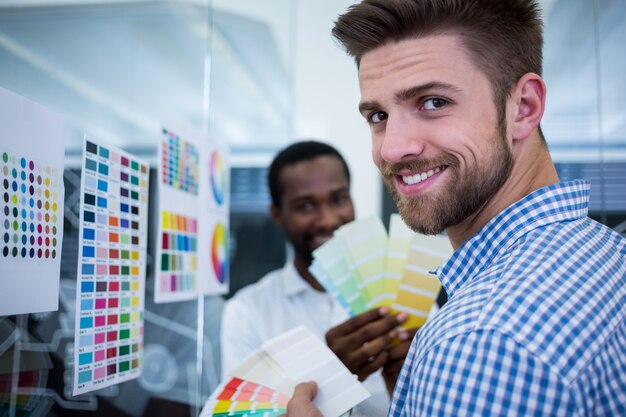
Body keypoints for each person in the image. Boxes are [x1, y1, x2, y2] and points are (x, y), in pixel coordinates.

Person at [287, 0, 626, 416]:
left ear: (524, 107)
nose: (392, 148)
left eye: (433, 102)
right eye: (378, 115)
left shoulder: (479, 339)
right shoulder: (608, 252)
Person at [221, 140, 420, 417]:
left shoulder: (404, 292)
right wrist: (332, 379)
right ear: (278, 215)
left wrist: (415, 382)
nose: (327, 219)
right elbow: (240, 413)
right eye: (305, 206)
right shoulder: (247, 312)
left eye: (338, 199)